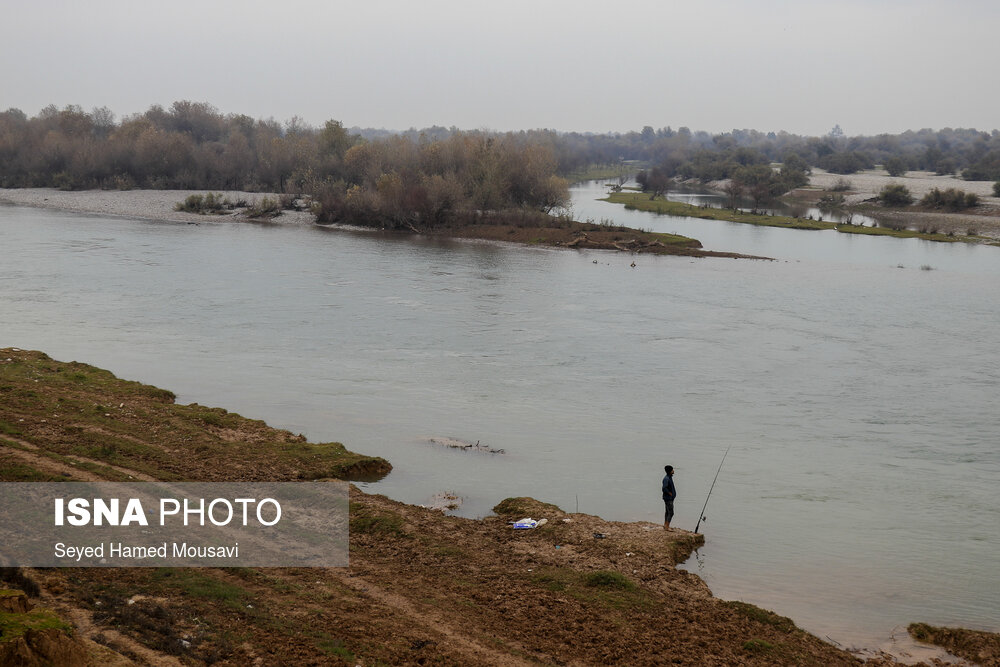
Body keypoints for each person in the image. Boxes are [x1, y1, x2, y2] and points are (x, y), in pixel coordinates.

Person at [662, 465, 676, 531]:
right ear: (670, 471)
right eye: (672, 470)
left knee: (667, 512)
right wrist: (670, 493)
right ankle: (667, 526)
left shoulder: (669, 477)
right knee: (671, 513)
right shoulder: (666, 478)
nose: (673, 471)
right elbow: (664, 488)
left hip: (670, 498)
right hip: (668, 498)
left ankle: (665, 525)